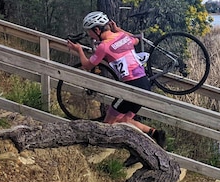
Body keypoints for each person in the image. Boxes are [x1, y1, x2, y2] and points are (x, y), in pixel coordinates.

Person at [66, 11, 166, 149]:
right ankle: (155, 133)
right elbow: (136, 40)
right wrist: (118, 29)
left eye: (89, 31)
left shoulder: (104, 46)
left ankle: (101, 148)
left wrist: (79, 50)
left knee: (108, 123)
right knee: (124, 120)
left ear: (97, 30)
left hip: (130, 87)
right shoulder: (122, 36)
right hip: (144, 84)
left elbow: (88, 66)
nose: (89, 35)